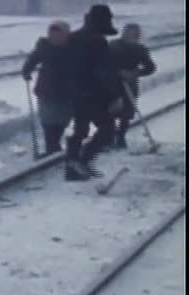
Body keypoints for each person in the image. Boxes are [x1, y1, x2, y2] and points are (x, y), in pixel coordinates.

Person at [64, 4, 123, 181]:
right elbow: (103, 72)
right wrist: (114, 96)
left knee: (80, 129)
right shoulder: (98, 41)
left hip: (75, 92)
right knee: (107, 130)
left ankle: (72, 168)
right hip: (94, 94)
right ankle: (83, 161)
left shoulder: (73, 37)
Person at [22, 20, 73, 156]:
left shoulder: (75, 47)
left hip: (68, 90)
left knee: (64, 119)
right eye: (53, 34)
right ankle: (52, 147)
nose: (56, 37)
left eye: (59, 34)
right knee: (48, 120)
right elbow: (32, 60)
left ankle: (54, 144)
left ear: (67, 34)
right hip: (47, 89)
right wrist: (26, 71)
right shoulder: (44, 47)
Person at [109, 23, 157, 149]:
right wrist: (117, 72)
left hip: (130, 84)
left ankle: (120, 137)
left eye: (134, 34)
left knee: (127, 113)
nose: (131, 36)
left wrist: (136, 73)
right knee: (111, 111)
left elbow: (150, 67)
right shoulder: (112, 46)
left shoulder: (140, 49)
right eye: (128, 33)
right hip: (112, 84)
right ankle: (108, 137)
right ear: (123, 33)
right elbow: (102, 64)